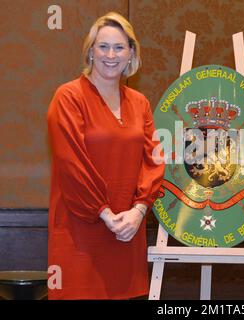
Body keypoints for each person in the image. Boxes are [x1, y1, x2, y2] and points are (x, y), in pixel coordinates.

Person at [47, 12, 165, 299]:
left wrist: (138, 211)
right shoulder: (68, 97)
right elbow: (71, 165)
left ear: (131, 54)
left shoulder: (140, 103)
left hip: (127, 231)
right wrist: (106, 214)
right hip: (80, 230)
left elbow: (155, 159)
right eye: (103, 46)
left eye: (119, 47)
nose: (110, 55)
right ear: (90, 52)